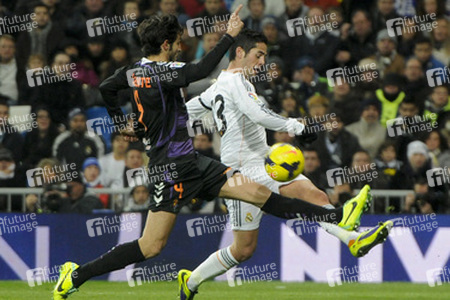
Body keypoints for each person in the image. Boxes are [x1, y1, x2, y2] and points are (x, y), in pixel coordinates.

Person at [53, 11, 372, 300]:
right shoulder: (164, 71)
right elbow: (202, 68)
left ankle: (335, 216)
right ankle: (75, 276)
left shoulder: (132, 72)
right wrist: (230, 35)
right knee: (151, 246)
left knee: (260, 194)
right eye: (177, 42)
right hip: (169, 169)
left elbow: (108, 87)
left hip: (193, 162)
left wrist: (121, 122)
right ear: (165, 45)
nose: (180, 46)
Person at [185, 28, 391, 299]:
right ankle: (190, 281)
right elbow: (256, 113)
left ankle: (353, 239)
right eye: (258, 55)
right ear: (239, 52)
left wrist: (148, 126)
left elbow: (187, 110)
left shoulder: (219, 86)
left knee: (313, 194)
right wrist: (298, 126)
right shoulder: (235, 83)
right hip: (239, 173)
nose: (262, 63)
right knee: (243, 249)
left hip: (265, 161)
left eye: (264, 57)